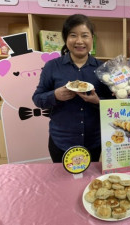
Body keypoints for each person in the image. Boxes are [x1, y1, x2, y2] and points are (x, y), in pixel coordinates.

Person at [33, 14, 113, 163]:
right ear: (65, 38)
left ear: (92, 39)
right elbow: (37, 98)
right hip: (61, 141)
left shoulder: (103, 69)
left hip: (93, 142)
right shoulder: (52, 66)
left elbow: (114, 104)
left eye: (85, 36)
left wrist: (98, 101)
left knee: (88, 183)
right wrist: (55, 95)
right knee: (61, 183)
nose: (79, 41)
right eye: (73, 35)